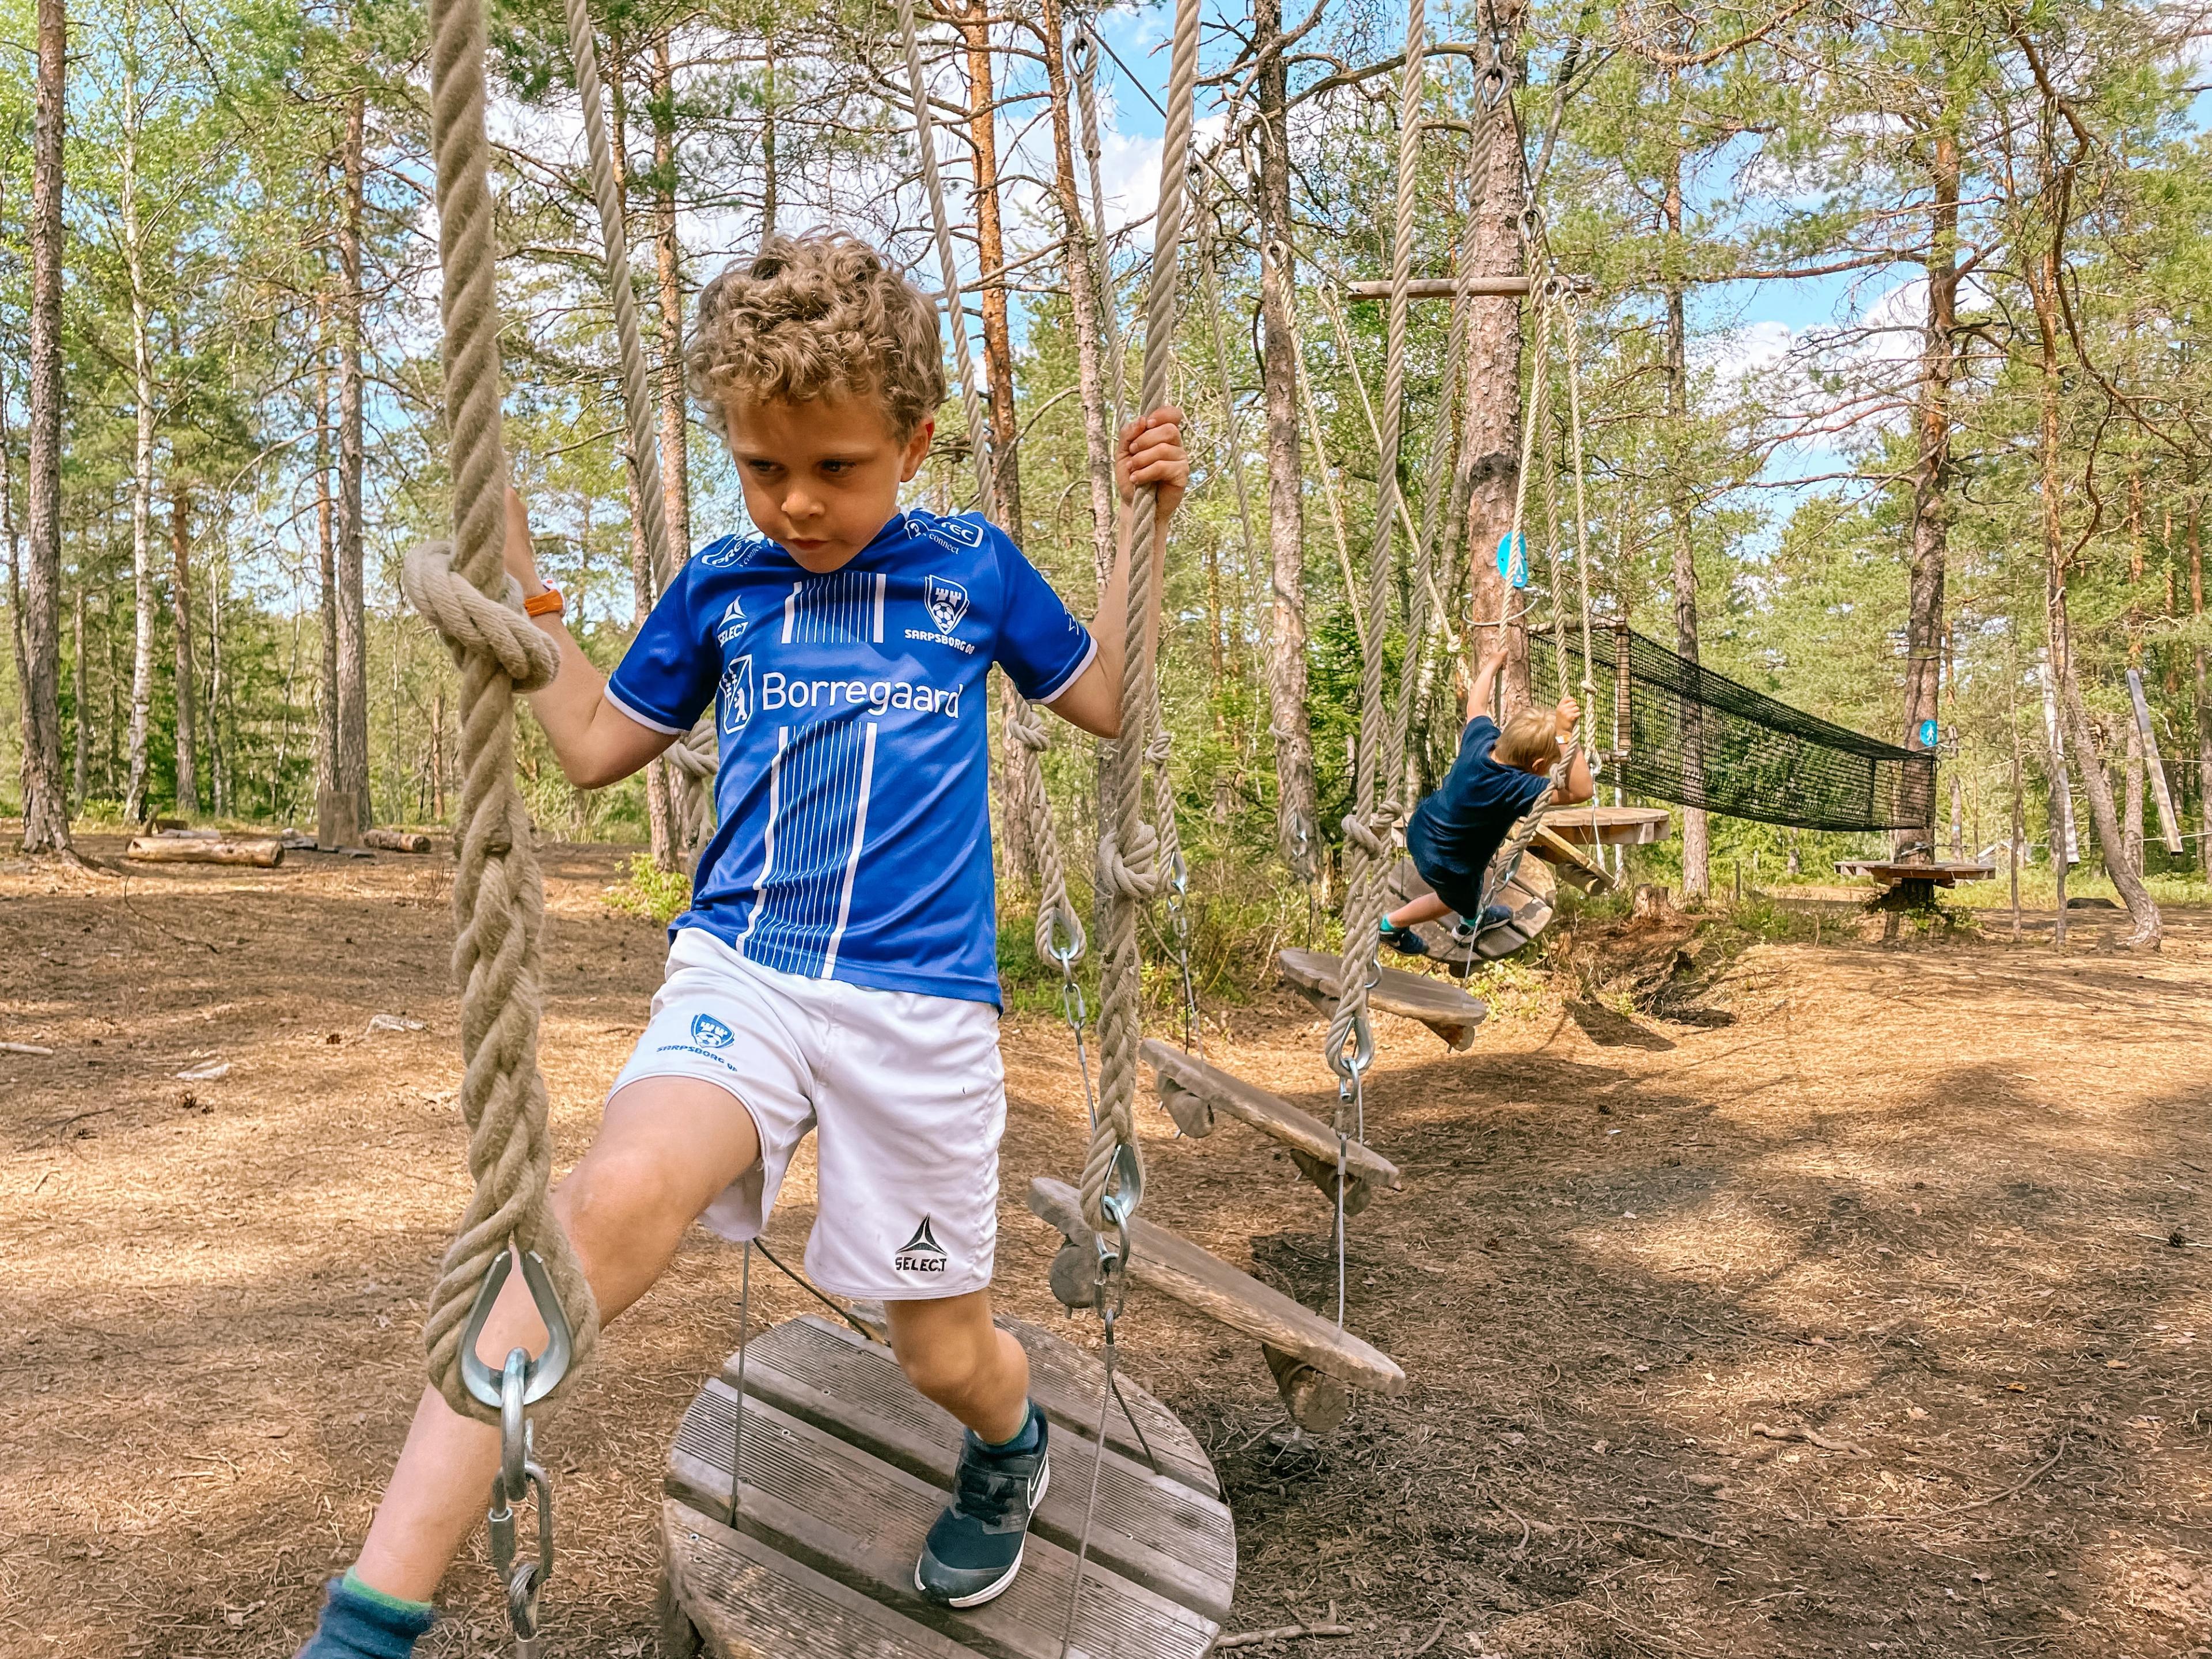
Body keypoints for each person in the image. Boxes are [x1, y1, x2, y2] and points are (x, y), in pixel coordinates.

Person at [295, 232, 1190, 1658]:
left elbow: (1111, 708)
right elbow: (593, 743)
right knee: (600, 1204)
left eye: (834, 467)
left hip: (921, 1011)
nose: (794, 503)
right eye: (762, 467)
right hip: (744, 973)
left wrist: (1156, 522)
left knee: (937, 1348)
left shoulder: (975, 569)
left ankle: (1009, 1441)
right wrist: (523, 595)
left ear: (913, 441)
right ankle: (365, 1621)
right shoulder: (724, 585)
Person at [1378, 636, 1593, 956]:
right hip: (1448, 862)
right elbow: (1582, 790)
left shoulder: (1482, 741)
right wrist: (1564, 734)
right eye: (1550, 765)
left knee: (1472, 879)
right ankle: (1397, 926)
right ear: (1536, 766)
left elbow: (1475, 705)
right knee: (1453, 898)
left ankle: (1471, 915)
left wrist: (1492, 664)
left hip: (1422, 828)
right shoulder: (1515, 786)